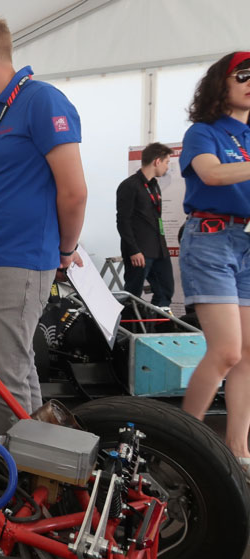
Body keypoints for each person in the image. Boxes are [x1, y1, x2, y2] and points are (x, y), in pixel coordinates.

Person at [0, 15, 87, 432]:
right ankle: (36, 455)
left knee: (7, 379)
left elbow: (74, 191)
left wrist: (65, 249)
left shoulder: (42, 101)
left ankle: (19, 463)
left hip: (20, 258)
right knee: (10, 372)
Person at [178, 51, 250, 471]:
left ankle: (238, 450)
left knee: (247, 353)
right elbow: (211, 174)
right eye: (243, 74)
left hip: (246, 242)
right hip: (211, 239)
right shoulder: (203, 133)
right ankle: (183, 444)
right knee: (225, 351)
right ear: (220, 82)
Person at [116, 142, 174, 308]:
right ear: (157, 161)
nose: (167, 167)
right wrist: (133, 250)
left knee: (165, 291)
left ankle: (156, 323)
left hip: (159, 249)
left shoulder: (154, 186)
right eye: (166, 162)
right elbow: (123, 221)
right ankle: (128, 323)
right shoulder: (129, 185)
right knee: (133, 294)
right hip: (139, 251)